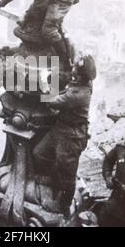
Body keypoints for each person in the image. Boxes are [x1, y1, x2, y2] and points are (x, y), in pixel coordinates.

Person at [33, 54, 96, 216]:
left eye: (76, 68)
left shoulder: (78, 94)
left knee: (67, 173)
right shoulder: (83, 83)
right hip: (61, 128)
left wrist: (42, 81)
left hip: (71, 136)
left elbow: (49, 100)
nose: (73, 69)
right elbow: (67, 83)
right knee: (39, 153)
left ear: (80, 75)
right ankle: (54, 181)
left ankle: (63, 205)